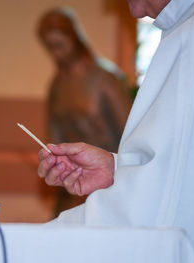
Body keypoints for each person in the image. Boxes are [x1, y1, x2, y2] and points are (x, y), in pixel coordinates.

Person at [37, 0, 194, 262]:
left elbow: (165, 199)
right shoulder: (190, 27)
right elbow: (183, 164)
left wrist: (36, 242)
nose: (136, 11)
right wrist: (117, 168)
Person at [37, 8, 132, 214]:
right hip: (70, 186)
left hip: (106, 185)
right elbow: (52, 136)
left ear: (75, 39)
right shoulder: (56, 85)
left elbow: (132, 134)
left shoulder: (106, 80)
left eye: (60, 45)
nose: (56, 53)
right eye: (50, 47)